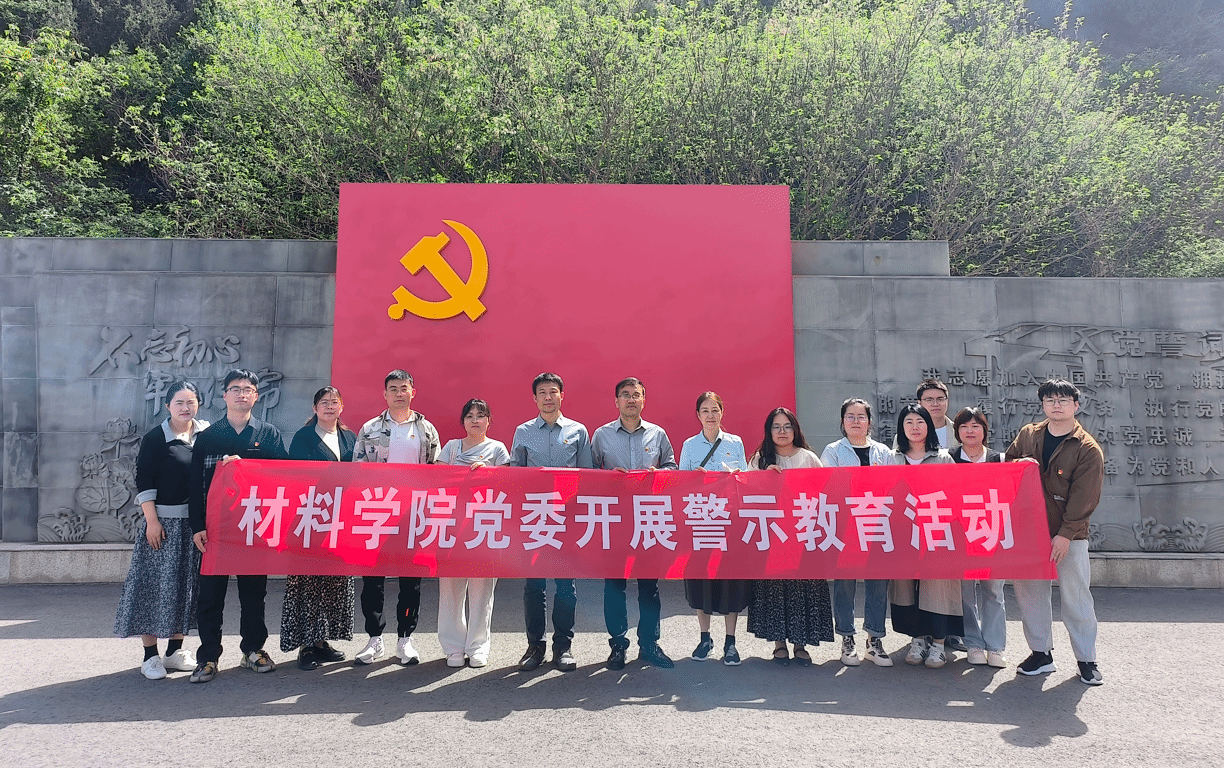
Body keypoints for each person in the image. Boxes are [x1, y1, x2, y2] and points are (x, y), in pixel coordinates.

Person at [189, 369, 289, 683]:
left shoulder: (268, 433)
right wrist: (197, 525)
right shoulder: (209, 436)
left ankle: (253, 650)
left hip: (254, 526)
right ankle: (207, 657)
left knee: (254, 593)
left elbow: (284, 476)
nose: (242, 394)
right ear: (225, 395)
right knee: (210, 596)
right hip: (216, 528)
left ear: (256, 396)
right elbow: (195, 484)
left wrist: (249, 467)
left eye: (248, 389)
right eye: (235, 389)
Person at [1006, 379, 1105, 685]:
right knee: (1030, 594)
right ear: (1043, 405)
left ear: (1076, 405)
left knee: (1076, 597)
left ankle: (1086, 659)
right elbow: (1008, 464)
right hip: (1029, 531)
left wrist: (1065, 534)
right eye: (1050, 400)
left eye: (1063, 400)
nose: (1056, 405)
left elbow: (1085, 497)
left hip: (1069, 536)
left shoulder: (1087, 448)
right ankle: (1041, 654)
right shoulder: (1029, 434)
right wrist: (1019, 463)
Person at [114, 381, 209, 680]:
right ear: (168, 406)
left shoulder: (205, 436)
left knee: (185, 587)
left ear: (198, 404)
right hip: (163, 525)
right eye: (179, 402)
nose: (185, 408)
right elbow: (144, 480)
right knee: (152, 588)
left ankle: (174, 652)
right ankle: (150, 656)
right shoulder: (156, 438)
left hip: (194, 526)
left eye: (191, 402)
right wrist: (152, 522)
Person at [352, 370, 440, 666]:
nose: (399, 393)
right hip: (377, 511)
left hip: (412, 515)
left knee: (410, 580)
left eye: (404, 388)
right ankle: (374, 638)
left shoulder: (426, 429)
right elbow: (357, 470)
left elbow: (436, 471)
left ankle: (405, 638)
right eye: (393, 389)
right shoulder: (370, 428)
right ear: (385, 394)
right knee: (373, 580)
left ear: (413, 392)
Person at [591, 377, 678, 670]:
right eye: (625, 395)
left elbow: (672, 468)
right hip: (614, 519)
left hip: (648, 518)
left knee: (649, 586)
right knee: (614, 585)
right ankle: (618, 645)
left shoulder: (658, 434)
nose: (631, 399)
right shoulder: (602, 435)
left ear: (643, 400)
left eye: (636, 395)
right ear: (616, 401)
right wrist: (607, 478)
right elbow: (588, 473)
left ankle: (649, 644)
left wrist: (658, 474)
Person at [509, 372, 593, 672]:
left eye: (553, 391)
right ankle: (535, 646)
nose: (548, 397)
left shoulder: (578, 431)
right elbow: (515, 474)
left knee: (566, 586)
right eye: (542, 392)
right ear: (534, 398)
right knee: (534, 586)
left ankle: (563, 647)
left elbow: (587, 475)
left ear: (561, 395)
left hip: (567, 518)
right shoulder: (523, 431)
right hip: (535, 517)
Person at [745, 407, 832, 666]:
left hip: (803, 537)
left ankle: (800, 644)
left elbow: (824, 491)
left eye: (787, 426)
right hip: (773, 538)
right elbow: (746, 494)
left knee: (802, 591)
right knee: (775, 590)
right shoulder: (759, 459)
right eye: (776, 426)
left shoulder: (808, 458)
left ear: (795, 430)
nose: (782, 432)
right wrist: (764, 478)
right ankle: (779, 644)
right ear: (769, 431)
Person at [282, 386, 357, 671]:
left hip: (340, 520)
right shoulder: (304, 437)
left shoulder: (350, 438)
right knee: (308, 582)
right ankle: (306, 645)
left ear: (342, 407)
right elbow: (295, 476)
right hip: (310, 519)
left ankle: (322, 641)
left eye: (334, 402)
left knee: (333, 582)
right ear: (314, 409)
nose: (329, 406)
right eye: (324, 402)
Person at [820, 397, 895, 668]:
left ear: (869, 422)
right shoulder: (832, 451)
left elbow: (892, 487)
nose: (855, 421)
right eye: (850, 416)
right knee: (845, 584)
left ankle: (874, 640)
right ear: (843, 422)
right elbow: (827, 485)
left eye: (861, 416)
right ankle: (847, 638)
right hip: (845, 527)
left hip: (877, 526)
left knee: (878, 583)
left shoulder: (883, 452)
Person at [437, 398, 511, 669]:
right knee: (450, 590)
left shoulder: (498, 449)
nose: (475, 420)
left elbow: (508, 483)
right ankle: (453, 647)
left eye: (481, 415)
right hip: (452, 527)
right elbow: (438, 480)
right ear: (463, 422)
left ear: (489, 421)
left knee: (482, 591)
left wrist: (488, 473)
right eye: (469, 416)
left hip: (484, 527)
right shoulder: (450, 448)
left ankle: (478, 646)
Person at [677, 391, 750, 666]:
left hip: (729, 521)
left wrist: (735, 477)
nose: (710, 415)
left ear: (722, 413)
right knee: (701, 579)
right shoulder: (689, 445)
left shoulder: (735, 442)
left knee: (731, 579)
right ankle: (704, 638)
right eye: (705, 411)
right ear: (698, 415)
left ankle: (730, 641)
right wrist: (694, 478)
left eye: (715, 410)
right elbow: (680, 482)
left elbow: (745, 479)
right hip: (701, 520)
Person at [889, 404, 962, 669]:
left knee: (938, 586)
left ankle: (939, 645)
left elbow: (955, 493)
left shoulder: (943, 458)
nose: (915, 427)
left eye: (920, 422)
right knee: (906, 587)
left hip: (936, 532)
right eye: (909, 422)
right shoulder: (892, 458)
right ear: (902, 428)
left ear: (928, 426)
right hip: (903, 532)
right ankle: (917, 640)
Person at [949, 407, 1007, 668]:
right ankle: (973, 643)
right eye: (964, 426)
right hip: (960, 536)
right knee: (964, 593)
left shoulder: (999, 459)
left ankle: (995, 647)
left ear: (984, 430)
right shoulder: (949, 459)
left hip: (991, 535)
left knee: (993, 591)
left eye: (975, 426)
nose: (969, 431)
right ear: (957, 431)